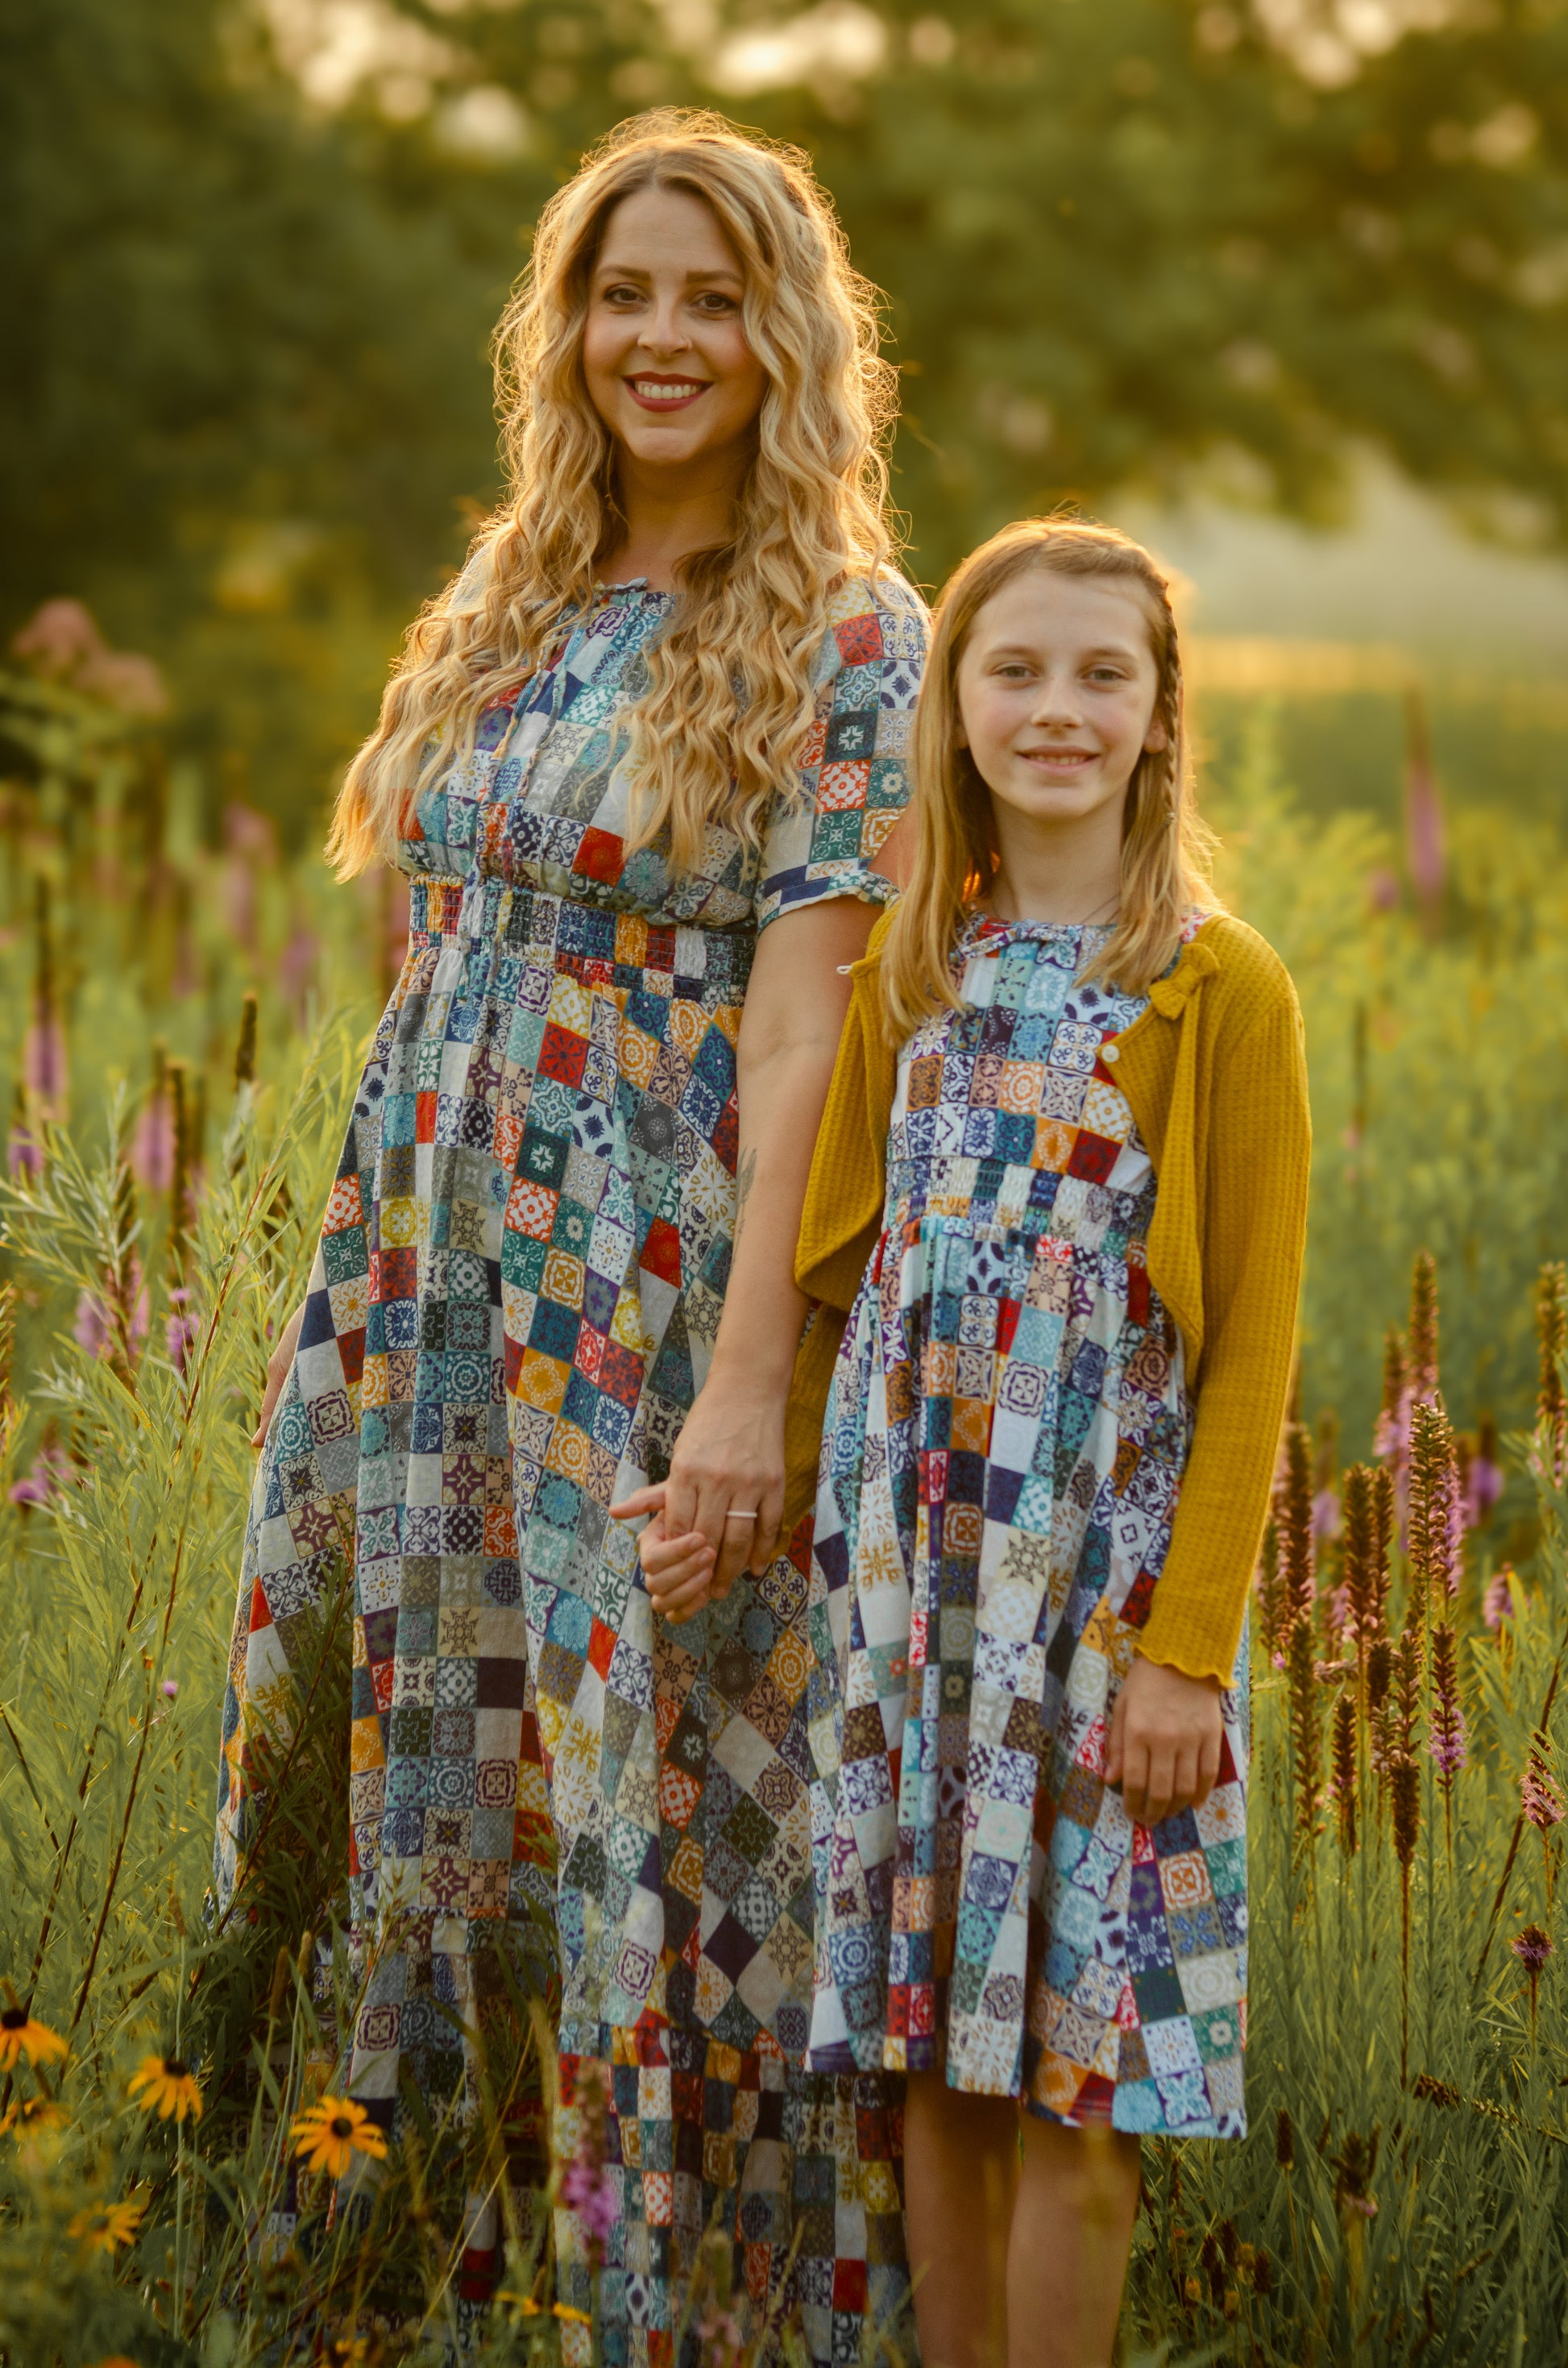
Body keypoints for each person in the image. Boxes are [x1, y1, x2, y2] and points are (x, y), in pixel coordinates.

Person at [213, 110, 927, 2364]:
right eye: (624, 291)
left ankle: (666, 2298)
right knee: (396, 1725)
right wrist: (362, 1277)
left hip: (641, 1283)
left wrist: (744, 1388)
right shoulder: (517, 584)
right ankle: (389, 2244)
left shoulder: (850, 633)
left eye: (713, 297)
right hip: (420, 1282)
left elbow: (810, 1041)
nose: (662, 336)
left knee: (660, 1789)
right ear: (568, 321)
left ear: (788, 338)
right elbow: (444, 953)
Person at [790, 517, 1309, 2367]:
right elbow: (840, 1282)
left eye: (1103, 672)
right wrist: (759, 1493)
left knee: (1080, 2082)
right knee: (931, 2069)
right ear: (955, 704)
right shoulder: (914, 974)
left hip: (1103, 1607)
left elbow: (1250, 1339)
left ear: (1163, 711)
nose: (1058, 708)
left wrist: (1186, 1648)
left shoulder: (1214, 987)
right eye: (1015, 669)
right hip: (915, 1602)